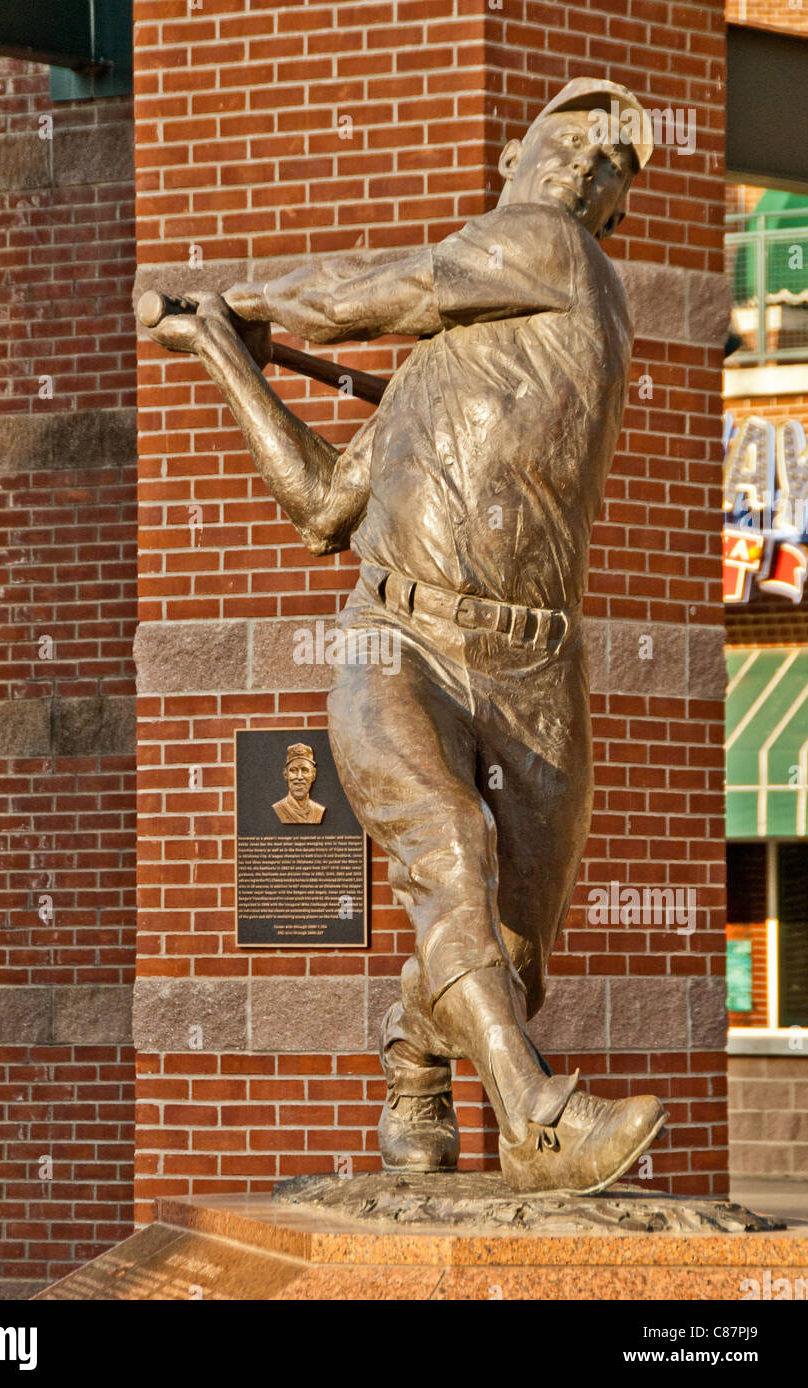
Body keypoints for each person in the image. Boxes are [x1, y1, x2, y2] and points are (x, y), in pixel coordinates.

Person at [145, 77, 667, 1194]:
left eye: (606, 169)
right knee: (448, 848)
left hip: (534, 664)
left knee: (511, 953)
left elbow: (364, 296)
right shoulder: (439, 364)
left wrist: (245, 295)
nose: (580, 171)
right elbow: (324, 503)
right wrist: (222, 354)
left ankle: (415, 1071)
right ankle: (538, 1118)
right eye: (561, 147)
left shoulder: (561, 258)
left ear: (609, 214)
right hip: (394, 639)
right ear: (511, 167)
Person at [272, 743, 326, 824]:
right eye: (293, 770)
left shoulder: (318, 811)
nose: (299, 777)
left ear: (313, 775)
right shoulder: (278, 808)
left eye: (305, 770)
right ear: (285, 774)